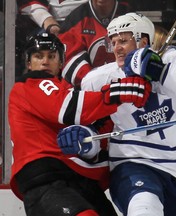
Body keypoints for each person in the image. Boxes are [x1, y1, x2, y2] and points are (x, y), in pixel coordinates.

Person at [58, 12, 176, 216]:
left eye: (123, 40)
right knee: (145, 209)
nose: (116, 48)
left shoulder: (172, 57)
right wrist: (84, 139)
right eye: (113, 42)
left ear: (144, 41)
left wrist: (158, 69)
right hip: (134, 163)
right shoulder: (99, 79)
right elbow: (96, 128)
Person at [8, 32, 151, 216]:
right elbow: (68, 107)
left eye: (51, 56)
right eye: (38, 56)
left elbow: (95, 127)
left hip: (78, 178)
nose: (45, 62)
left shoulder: (67, 90)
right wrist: (119, 92)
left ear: (61, 63)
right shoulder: (28, 85)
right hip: (47, 181)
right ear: (28, 63)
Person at [58, 0, 133, 87]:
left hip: (125, 85)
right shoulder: (76, 18)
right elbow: (69, 59)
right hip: (88, 89)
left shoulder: (130, 15)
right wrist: (95, 82)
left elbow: (138, 53)